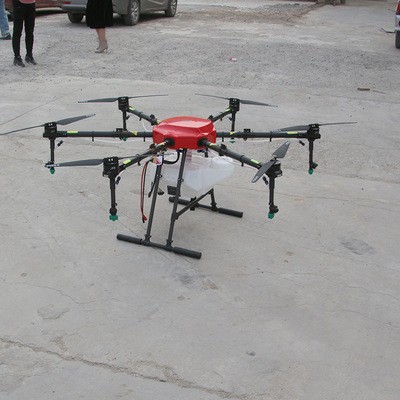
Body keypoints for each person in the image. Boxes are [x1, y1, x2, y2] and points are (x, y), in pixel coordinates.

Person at [12, 0, 36, 67]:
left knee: (30, 31)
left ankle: (29, 55)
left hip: (31, 3)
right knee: (17, 31)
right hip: (19, 3)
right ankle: (17, 57)